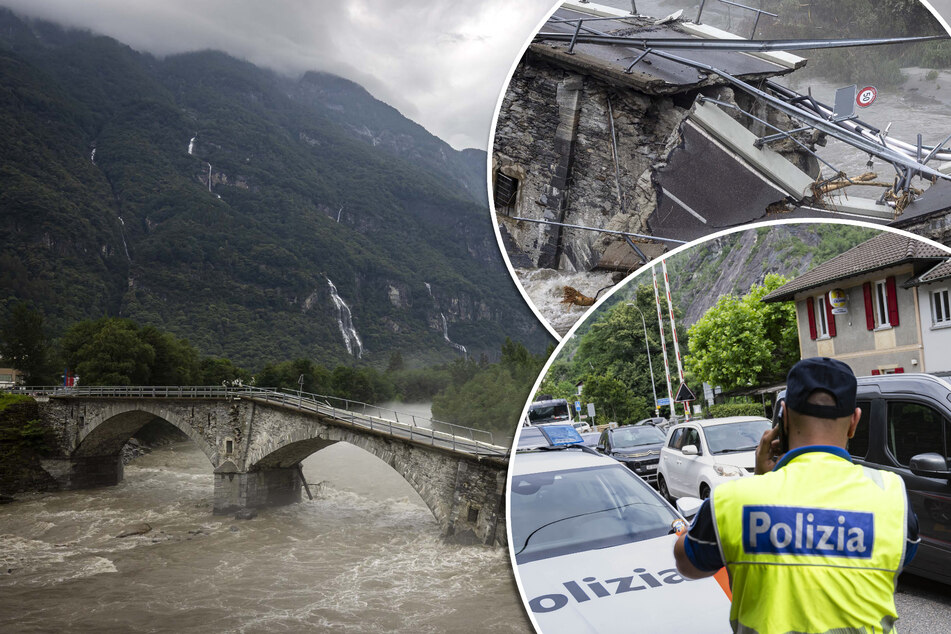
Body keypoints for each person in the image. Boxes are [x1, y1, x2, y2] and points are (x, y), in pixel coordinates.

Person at [673, 357, 919, 634]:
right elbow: (897, 558)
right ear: (854, 422)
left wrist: (759, 484)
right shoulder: (893, 496)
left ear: (784, 417)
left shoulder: (732, 499)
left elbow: (687, 563)